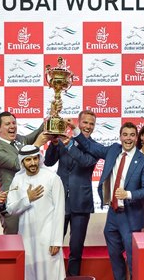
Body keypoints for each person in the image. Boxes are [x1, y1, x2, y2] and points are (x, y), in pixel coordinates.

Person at [70, 121, 144, 280]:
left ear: (137, 138)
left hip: (131, 216)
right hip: (113, 215)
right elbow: (90, 147)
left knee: (133, 259)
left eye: (132, 135)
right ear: (120, 136)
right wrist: (75, 129)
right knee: (115, 257)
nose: (128, 139)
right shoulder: (114, 149)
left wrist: (128, 194)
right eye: (125, 135)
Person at [44, 110, 99, 276]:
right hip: (60, 202)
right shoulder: (63, 141)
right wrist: (54, 143)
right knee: (54, 244)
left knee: (76, 248)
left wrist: (69, 144)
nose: (88, 126)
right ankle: (52, 276)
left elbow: (84, 162)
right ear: (78, 122)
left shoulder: (94, 148)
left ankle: (73, 277)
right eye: (85, 122)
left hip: (81, 203)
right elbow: (48, 161)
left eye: (91, 124)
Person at [6, 145, 66, 280]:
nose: (33, 163)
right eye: (28, 160)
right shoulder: (17, 179)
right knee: (29, 274)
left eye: (35, 158)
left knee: (50, 274)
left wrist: (56, 241)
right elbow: (10, 208)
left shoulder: (52, 178)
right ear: (22, 162)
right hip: (26, 237)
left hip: (47, 238)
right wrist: (27, 199)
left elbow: (59, 210)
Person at [0, 111, 46, 234]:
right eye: (8, 124)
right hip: (12, 201)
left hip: (30, 197)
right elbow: (17, 163)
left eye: (14, 123)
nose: (12, 126)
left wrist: (51, 117)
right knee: (14, 243)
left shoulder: (20, 139)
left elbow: (36, 134)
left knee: (31, 241)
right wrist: (36, 146)